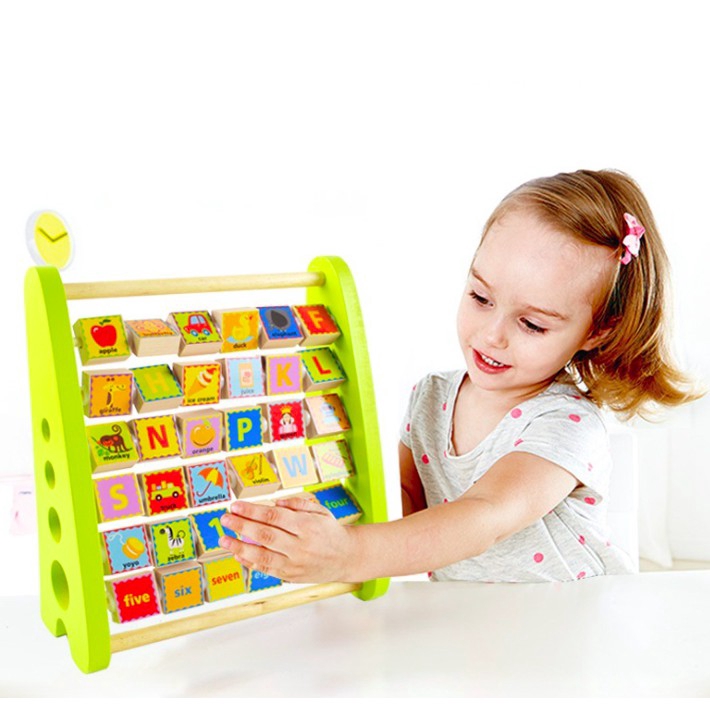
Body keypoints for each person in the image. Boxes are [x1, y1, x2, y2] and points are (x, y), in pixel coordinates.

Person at [219, 169, 702, 584]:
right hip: (466, 627)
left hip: (569, 630)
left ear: (598, 331)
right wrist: (316, 520)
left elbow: (485, 516)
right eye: (480, 297)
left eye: (532, 324)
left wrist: (348, 553)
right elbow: (401, 508)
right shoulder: (430, 398)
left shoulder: (567, 425)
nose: (492, 336)